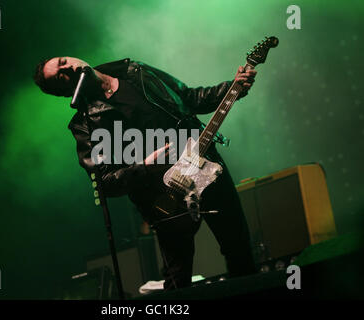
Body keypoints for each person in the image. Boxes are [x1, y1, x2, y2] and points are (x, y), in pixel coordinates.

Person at [33, 57, 258, 290]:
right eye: (60, 75)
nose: (67, 67)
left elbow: (190, 98)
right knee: (177, 275)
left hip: (204, 166)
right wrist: (145, 165)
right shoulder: (86, 124)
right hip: (163, 194)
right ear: (65, 89)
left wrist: (233, 87)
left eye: (62, 61)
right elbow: (105, 183)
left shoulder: (134, 71)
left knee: (239, 248)